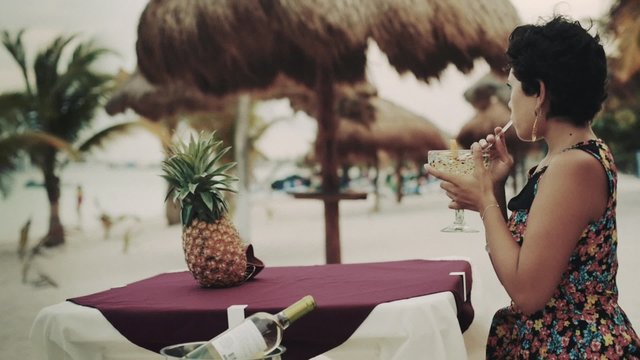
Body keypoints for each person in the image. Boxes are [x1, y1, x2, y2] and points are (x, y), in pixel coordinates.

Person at [427, 16, 640, 358]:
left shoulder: (573, 167)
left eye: (512, 89)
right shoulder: (565, 159)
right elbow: (524, 259)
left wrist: (485, 204)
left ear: (538, 92)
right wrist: (494, 190)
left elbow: (527, 292)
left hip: (575, 348)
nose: (510, 103)